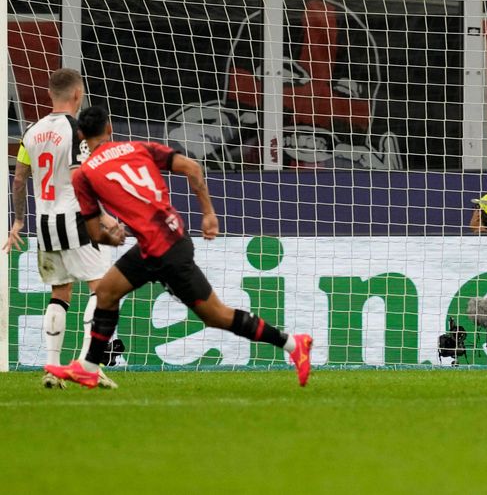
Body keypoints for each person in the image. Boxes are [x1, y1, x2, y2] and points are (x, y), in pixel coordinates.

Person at [44, 106, 313, 388]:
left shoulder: (83, 175)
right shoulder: (138, 147)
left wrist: (113, 238)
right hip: (166, 240)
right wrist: (208, 213)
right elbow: (193, 167)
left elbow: (94, 233)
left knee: (217, 316)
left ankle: (294, 345)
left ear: (81, 135)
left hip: (164, 250)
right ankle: (88, 366)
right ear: (110, 128)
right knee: (107, 292)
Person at [3, 68, 121, 389]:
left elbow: (18, 179)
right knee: (104, 289)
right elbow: (81, 178)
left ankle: (52, 368)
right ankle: (88, 365)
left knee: (60, 293)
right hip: (73, 219)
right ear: (78, 95)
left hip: (44, 224)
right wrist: (106, 218)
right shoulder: (75, 130)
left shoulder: (31, 131)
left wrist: (17, 220)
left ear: (50, 94)